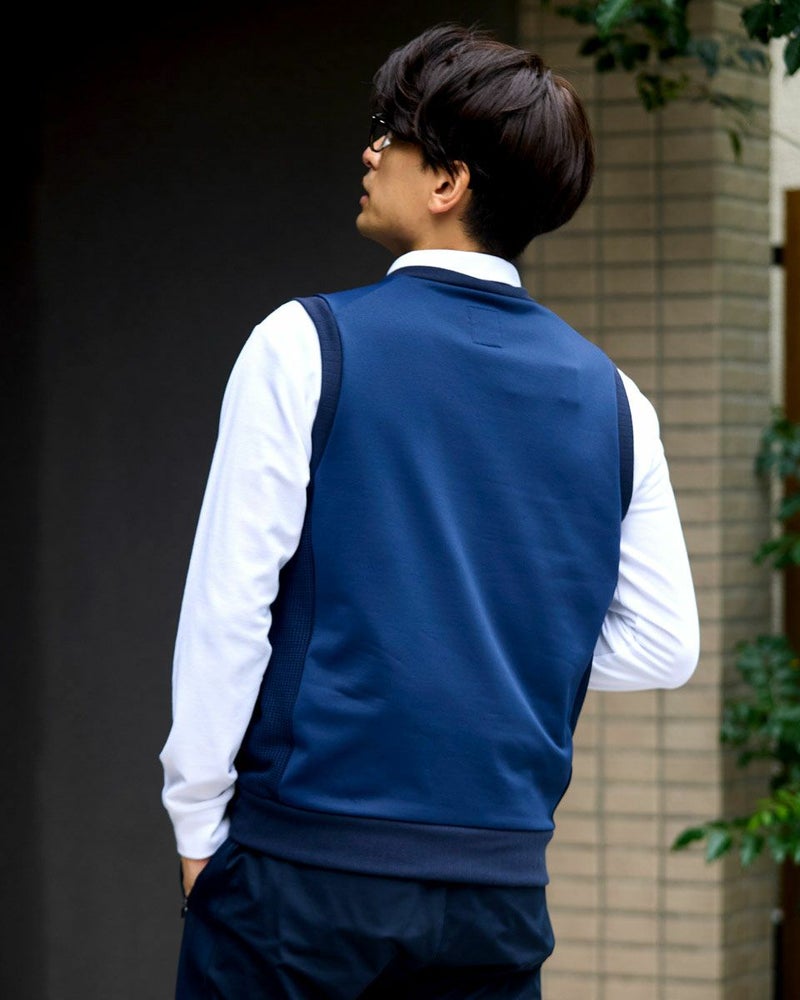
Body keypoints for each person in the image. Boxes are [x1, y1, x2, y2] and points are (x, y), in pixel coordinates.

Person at [160, 22, 699, 1000]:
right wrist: (490, 638)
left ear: (447, 181)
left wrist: (198, 832)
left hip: (302, 868)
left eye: (389, 135)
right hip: (496, 889)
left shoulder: (305, 343)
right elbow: (663, 646)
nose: (369, 154)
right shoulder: (618, 400)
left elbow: (229, 608)